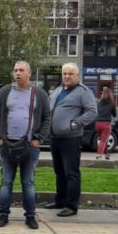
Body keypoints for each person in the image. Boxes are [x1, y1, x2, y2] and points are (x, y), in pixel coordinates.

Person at [0, 61, 50, 230]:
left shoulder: (39, 94)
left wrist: (39, 139)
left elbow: (46, 118)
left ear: (29, 73)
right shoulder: (4, 92)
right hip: (7, 146)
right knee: (6, 182)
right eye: (15, 70)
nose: (17, 73)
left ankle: (30, 216)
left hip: (30, 146)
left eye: (21, 70)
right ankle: (3, 214)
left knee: (28, 182)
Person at [45, 63, 97, 217]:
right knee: (59, 171)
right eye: (64, 73)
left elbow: (92, 111)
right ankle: (60, 200)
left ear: (77, 76)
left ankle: (71, 205)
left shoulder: (83, 92)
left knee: (71, 172)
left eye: (70, 74)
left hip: (71, 138)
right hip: (55, 137)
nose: (67, 76)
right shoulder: (58, 90)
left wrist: (75, 123)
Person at [94, 86, 116, 159]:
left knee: (104, 139)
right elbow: (114, 114)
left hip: (97, 124)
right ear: (110, 95)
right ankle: (99, 154)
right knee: (103, 140)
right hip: (106, 124)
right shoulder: (112, 103)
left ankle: (106, 154)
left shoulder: (99, 103)